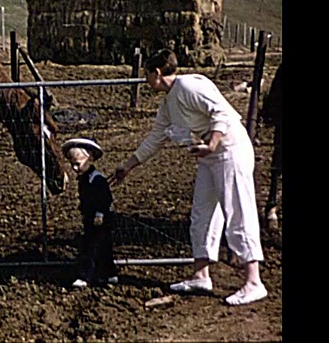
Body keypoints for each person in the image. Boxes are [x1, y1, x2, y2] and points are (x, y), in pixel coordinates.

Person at [109, 49, 268, 305]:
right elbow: (156, 137)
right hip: (209, 156)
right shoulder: (167, 104)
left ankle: (253, 281)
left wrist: (213, 143)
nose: (147, 81)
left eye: (148, 75)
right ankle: (201, 275)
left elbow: (222, 113)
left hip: (230, 150)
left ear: (157, 73)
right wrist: (128, 165)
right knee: (201, 213)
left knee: (237, 211)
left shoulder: (189, 85)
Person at [62, 138, 118, 288]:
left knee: (91, 247)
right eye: (72, 164)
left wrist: (100, 213)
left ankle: (85, 276)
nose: (74, 168)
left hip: (100, 218)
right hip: (90, 218)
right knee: (102, 246)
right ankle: (109, 273)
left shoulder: (97, 179)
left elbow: (105, 199)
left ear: (90, 159)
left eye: (77, 163)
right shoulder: (85, 179)